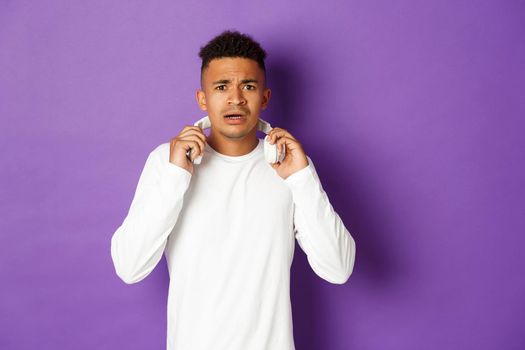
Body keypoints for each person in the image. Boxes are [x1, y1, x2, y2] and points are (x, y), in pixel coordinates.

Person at [110, 30, 356, 350]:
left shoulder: (289, 165)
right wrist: (175, 176)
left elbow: (338, 269)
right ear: (203, 99)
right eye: (222, 86)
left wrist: (302, 178)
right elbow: (129, 267)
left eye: (249, 86)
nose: (236, 98)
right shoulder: (166, 162)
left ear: (265, 98)